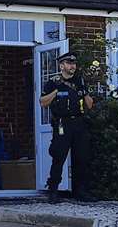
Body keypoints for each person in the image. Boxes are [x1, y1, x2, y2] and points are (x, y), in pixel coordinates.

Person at [40, 52, 95, 203]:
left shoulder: (79, 81)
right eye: (69, 63)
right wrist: (56, 91)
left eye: (74, 64)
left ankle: (80, 192)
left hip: (79, 123)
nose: (73, 66)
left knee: (82, 158)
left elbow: (90, 105)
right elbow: (43, 102)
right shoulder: (53, 82)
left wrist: (84, 92)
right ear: (61, 65)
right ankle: (53, 191)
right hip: (62, 124)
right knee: (58, 157)